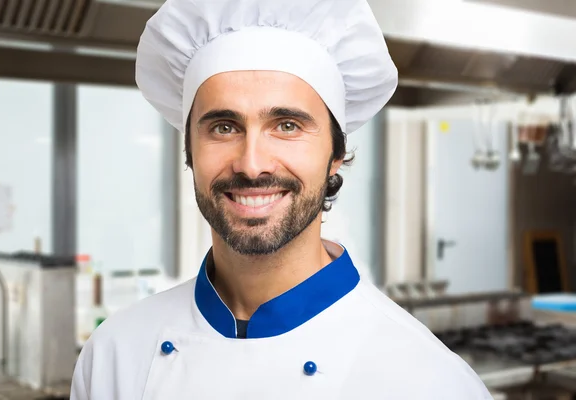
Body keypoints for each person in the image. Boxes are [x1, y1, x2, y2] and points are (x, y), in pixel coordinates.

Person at [70, 0, 493, 398]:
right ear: (189, 151)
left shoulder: (431, 382)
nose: (252, 165)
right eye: (223, 127)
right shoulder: (114, 356)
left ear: (335, 155)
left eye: (287, 125)